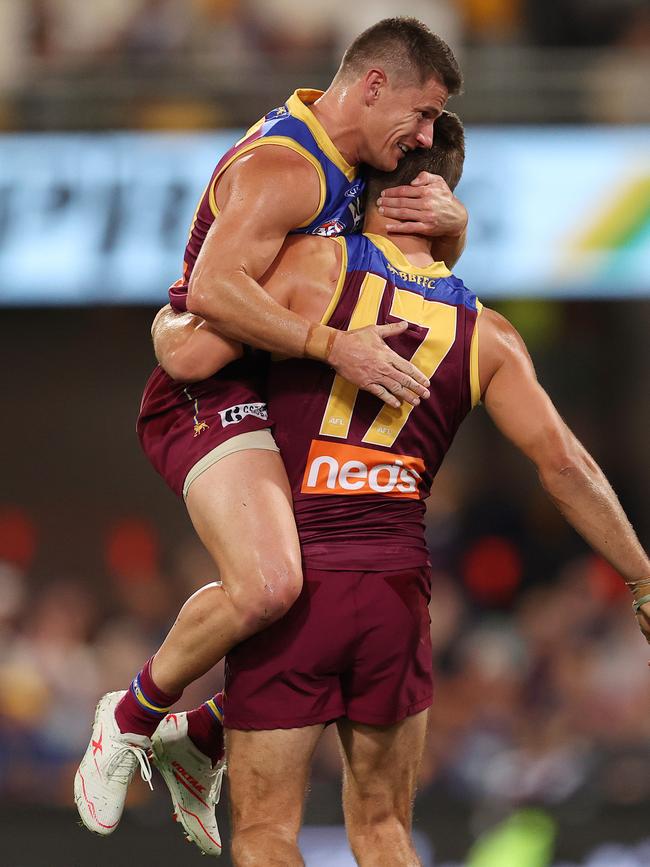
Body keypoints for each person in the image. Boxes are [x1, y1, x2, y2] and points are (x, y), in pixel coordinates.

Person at [146, 112, 650, 865]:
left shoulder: (313, 268)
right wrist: (642, 579)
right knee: (383, 831)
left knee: (264, 831)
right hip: (397, 592)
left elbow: (190, 352)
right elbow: (567, 467)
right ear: (441, 196)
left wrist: (168, 323)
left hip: (300, 583)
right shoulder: (489, 333)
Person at [74, 17, 469, 851]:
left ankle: (209, 734)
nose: (427, 136)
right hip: (204, 390)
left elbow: (411, 266)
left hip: (264, 384)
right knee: (268, 585)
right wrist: (334, 345)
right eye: (424, 113)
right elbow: (211, 294)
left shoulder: (358, 166)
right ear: (372, 85)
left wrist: (453, 224)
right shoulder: (287, 167)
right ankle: (133, 717)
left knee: (332, 590)